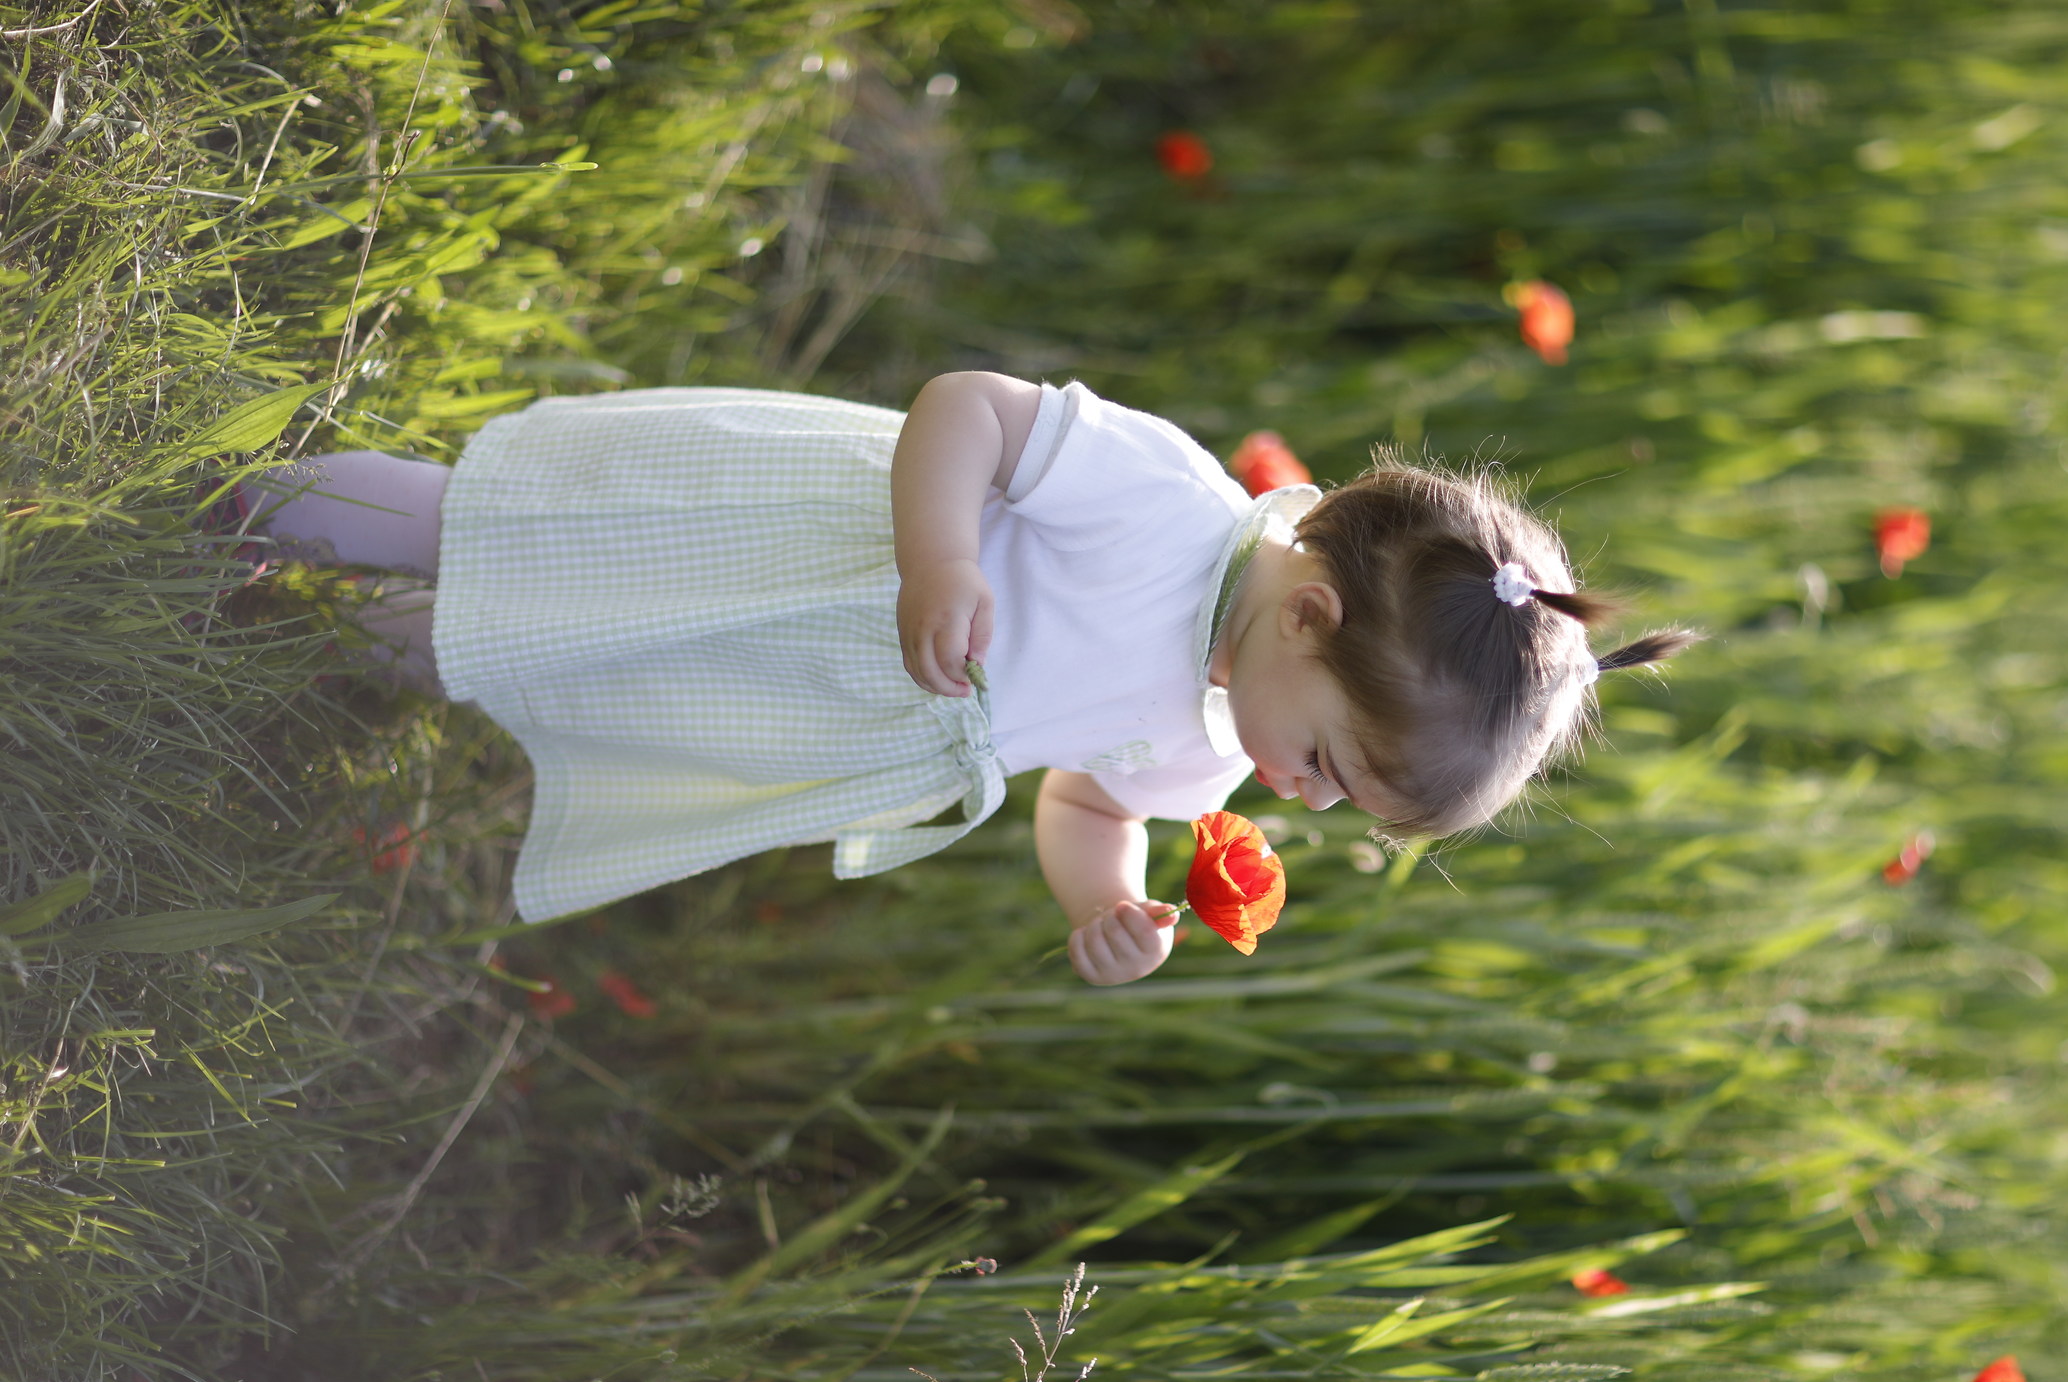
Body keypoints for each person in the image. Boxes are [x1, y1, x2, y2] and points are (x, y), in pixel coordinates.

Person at [240, 374, 1694, 985]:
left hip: (806, 692)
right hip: (799, 558)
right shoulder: (1162, 500)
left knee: (526, 660)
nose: (1303, 802)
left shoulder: (1210, 744)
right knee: (501, 530)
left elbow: (1080, 800)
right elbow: (970, 411)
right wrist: (944, 559)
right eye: (1331, 764)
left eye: (1341, 800)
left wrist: (1103, 901)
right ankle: (240, 506)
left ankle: (257, 636)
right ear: (1309, 618)